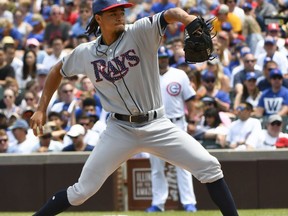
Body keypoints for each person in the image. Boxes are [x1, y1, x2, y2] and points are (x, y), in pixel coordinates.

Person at [30, 1, 238, 215]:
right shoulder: (86, 53)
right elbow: (57, 70)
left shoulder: (140, 31)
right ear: (98, 19)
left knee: (210, 166)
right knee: (82, 191)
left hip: (157, 124)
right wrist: (41, 108)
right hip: (119, 129)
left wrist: (190, 20)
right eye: (113, 13)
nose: (120, 15)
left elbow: (171, 13)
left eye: (121, 11)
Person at [146, 46, 197, 212]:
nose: (162, 60)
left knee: (183, 164)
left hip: (177, 122)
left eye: (165, 57)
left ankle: (189, 203)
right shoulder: (148, 75)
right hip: (155, 123)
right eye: (160, 57)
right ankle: (158, 203)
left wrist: (192, 120)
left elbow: (190, 99)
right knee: (156, 167)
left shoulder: (179, 75)